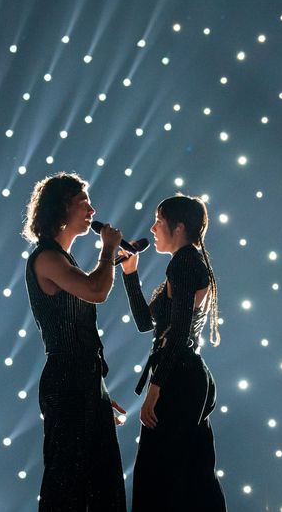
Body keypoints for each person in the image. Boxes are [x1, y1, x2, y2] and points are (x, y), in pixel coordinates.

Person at [22, 172, 127, 511]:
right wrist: (108, 250)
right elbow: (96, 290)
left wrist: (99, 393)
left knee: (101, 480)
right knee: (68, 482)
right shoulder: (47, 258)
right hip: (67, 381)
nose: (92, 211)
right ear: (62, 207)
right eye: (84, 203)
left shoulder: (65, 260)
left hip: (84, 381)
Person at [119, 194, 227, 511]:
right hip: (184, 374)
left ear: (178, 227)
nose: (152, 229)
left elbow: (178, 334)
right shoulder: (188, 262)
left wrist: (155, 390)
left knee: (164, 476)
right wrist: (130, 273)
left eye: (159, 221)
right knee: (191, 473)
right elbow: (145, 322)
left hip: (179, 378)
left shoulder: (184, 263)